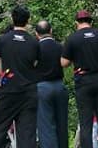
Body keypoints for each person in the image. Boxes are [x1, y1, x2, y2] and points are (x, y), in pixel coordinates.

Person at [0, 5, 40, 148]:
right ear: (28, 20)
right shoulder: (34, 43)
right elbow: (36, 66)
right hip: (28, 93)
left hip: (8, 91)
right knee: (27, 135)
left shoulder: (2, 40)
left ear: (12, 19)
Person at [62, 10, 98, 148]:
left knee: (85, 123)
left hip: (83, 82)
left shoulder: (73, 38)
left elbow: (64, 62)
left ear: (76, 23)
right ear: (91, 21)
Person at [35, 20, 68, 148]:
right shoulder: (60, 46)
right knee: (62, 124)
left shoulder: (35, 48)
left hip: (42, 88)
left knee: (46, 126)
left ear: (36, 34)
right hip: (59, 86)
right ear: (51, 30)